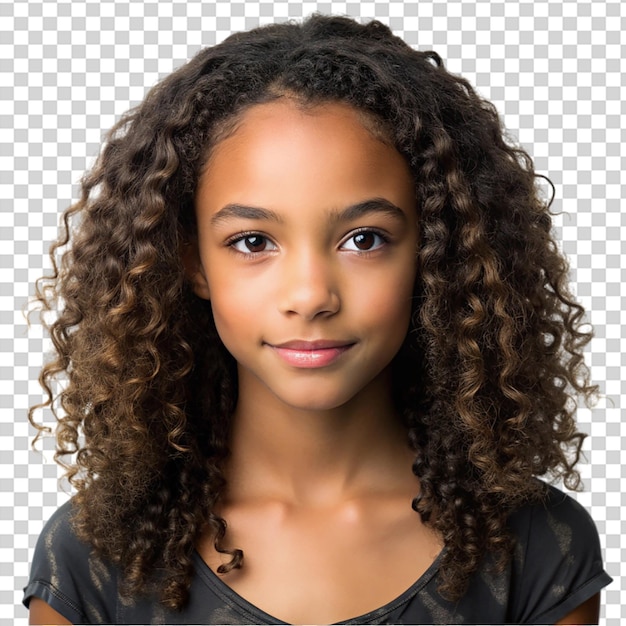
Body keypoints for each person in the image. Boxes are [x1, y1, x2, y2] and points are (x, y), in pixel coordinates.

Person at [24, 14, 611, 625]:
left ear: (435, 253)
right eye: (252, 242)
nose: (310, 296)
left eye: (363, 239)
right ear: (191, 261)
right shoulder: (96, 559)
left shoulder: (538, 547)